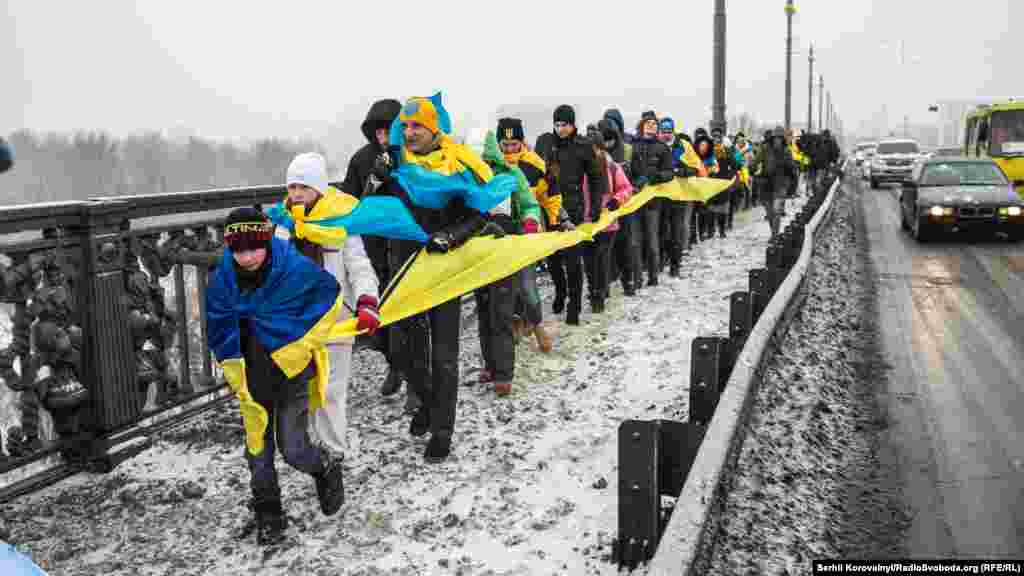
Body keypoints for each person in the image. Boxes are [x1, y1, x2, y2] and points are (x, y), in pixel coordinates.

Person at [207, 208, 365, 544]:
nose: (246, 256)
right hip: (250, 377)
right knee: (257, 452)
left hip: (291, 372)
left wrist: (303, 346)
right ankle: (269, 514)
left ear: (266, 240)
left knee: (293, 447)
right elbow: (217, 323)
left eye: (253, 247)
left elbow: (330, 296)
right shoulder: (223, 278)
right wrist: (229, 364)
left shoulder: (291, 268)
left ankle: (324, 467)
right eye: (238, 249)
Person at [377, 95, 505, 462]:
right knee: (401, 349)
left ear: (434, 129)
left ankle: (442, 432)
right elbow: (366, 208)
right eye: (407, 125)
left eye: (418, 125)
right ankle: (430, 405)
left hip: (445, 268)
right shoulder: (396, 163)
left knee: (444, 356)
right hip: (406, 270)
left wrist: (450, 237)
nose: (411, 131)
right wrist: (377, 176)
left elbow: (479, 214)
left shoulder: (457, 164)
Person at [279, 152, 380, 460]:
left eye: (303, 187)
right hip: (299, 321)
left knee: (332, 391)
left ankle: (334, 451)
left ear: (319, 189)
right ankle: (312, 447)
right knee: (304, 390)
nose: (296, 194)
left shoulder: (340, 221)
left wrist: (367, 300)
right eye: (292, 187)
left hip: (338, 317)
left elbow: (359, 265)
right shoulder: (283, 225)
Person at [338, 99, 415, 407]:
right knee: (377, 321)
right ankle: (395, 364)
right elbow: (348, 202)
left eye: (388, 130)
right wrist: (373, 181)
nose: (383, 136)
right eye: (378, 131)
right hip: (372, 249)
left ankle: (415, 384)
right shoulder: (361, 160)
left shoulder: (412, 157)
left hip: (406, 246)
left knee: (408, 318)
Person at [535, 104, 606, 325]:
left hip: (573, 209)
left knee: (573, 260)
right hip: (549, 208)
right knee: (553, 259)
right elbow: (534, 168)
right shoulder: (546, 143)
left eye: (564, 124)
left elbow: (596, 178)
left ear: (573, 124)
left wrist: (595, 206)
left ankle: (574, 306)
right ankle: (560, 293)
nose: (560, 129)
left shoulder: (583, 145)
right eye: (557, 124)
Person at [497, 117, 554, 353]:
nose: (510, 149)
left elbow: (548, 195)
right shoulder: (490, 166)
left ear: (522, 142)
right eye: (505, 144)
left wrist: (554, 219)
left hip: (527, 230)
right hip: (501, 232)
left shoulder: (535, 164)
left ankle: (538, 325)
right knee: (507, 288)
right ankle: (517, 325)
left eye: (514, 144)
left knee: (528, 286)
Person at [583, 123, 633, 312]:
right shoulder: (579, 168)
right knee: (588, 262)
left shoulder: (611, 166)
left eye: (594, 149)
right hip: (585, 224)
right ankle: (594, 290)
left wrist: (616, 201)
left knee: (601, 259)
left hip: (607, 223)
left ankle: (600, 294)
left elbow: (626, 188)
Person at [630, 111, 674, 287]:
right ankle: (637, 278)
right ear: (642, 125)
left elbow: (669, 173)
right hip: (634, 200)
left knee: (652, 240)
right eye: (648, 123)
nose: (651, 125)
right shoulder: (633, 146)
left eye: (654, 123)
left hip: (653, 202)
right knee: (634, 242)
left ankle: (653, 276)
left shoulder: (662, 147)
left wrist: (655, 176)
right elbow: (627, 171)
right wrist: (634, 182)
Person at [753, 126, 798, 238]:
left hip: (781, 183)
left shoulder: (786, 151)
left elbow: (792, 168)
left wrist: (793, 182)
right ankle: (773, 231)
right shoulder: (764, 149)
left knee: (777, 210)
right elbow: (755, 162)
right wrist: (752, 169)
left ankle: (775, 236)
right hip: (766, 183)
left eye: (780, 138)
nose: (777, 140)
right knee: (770, 213)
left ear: (783, 139)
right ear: (772, 138)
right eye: (775, 138)